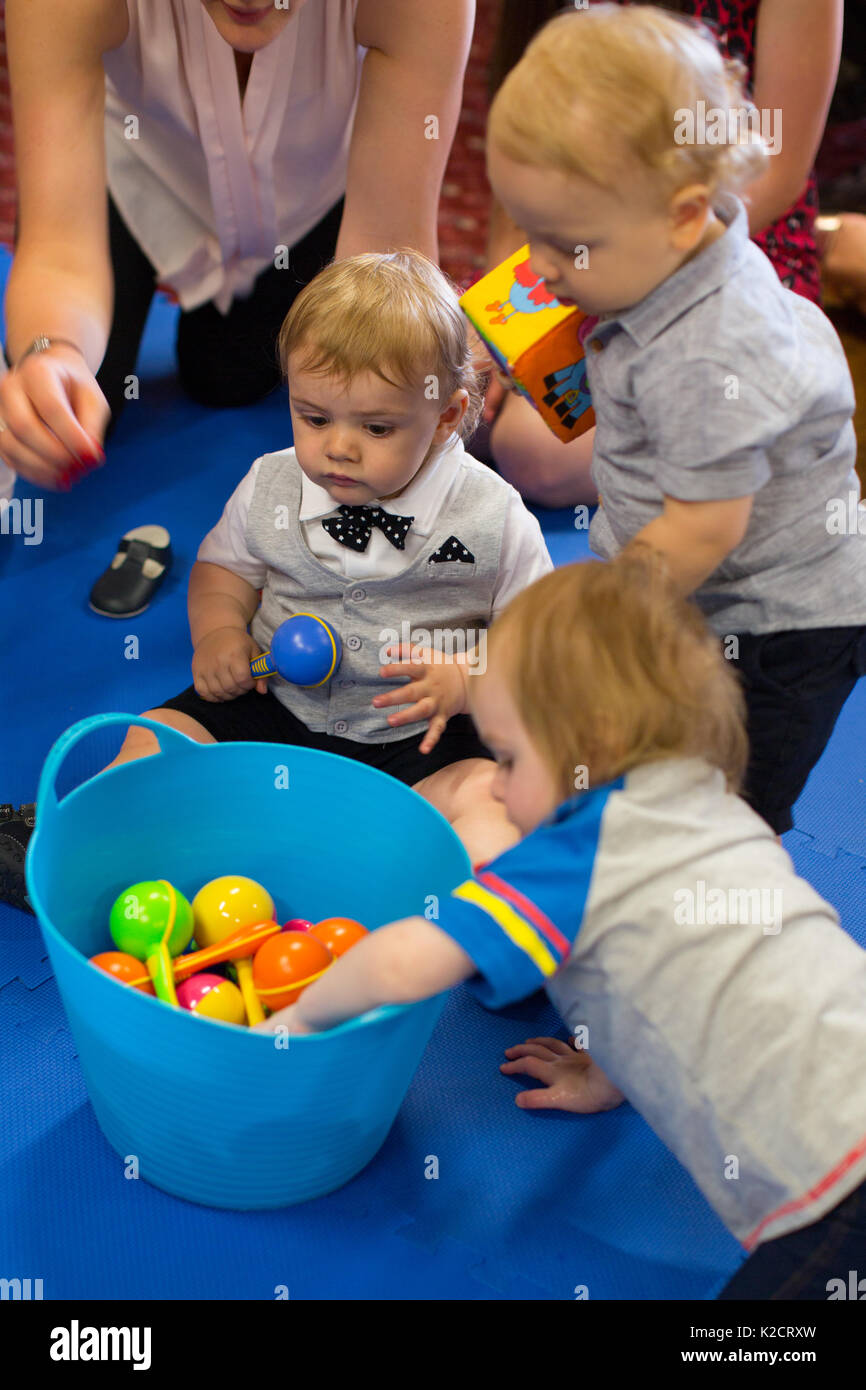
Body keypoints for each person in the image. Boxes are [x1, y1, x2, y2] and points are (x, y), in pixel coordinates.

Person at [255, 555, 866, 1301]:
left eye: (508, 758)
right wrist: (610, 1067)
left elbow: (404, 962)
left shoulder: (581, 850)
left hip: (842, 1185)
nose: (499, 786)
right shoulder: (714, 806)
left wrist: (289, 1021)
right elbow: (679, 971)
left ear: (595, 744)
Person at [0, 249, 553, 910]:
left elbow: (541, 642)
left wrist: (471, 682)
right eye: (314, 417)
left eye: (376, 427)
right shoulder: (272, 481)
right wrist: (219, 636)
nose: (338, 447)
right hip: (274, 703)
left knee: (493, 800)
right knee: (155, 734)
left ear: (442, 415)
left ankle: (456, 908)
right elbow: (222, 570)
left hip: (420, 736)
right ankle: (92, 846)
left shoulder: (494, 516)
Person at [483, 2, 866, 837]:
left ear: (683, 214)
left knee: (728, 813)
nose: (540, 269)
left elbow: (702, 529)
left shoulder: (708, 353)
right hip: (696, 589)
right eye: (533, 234)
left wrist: (588, 615)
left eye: (566, 245)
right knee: (655, 757)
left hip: (776, 628)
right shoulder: (662, 253)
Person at [0, 0, 475, 500]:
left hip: (309, 192)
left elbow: (386, 254)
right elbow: (58, 251)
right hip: (137, 168)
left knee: (229, 375)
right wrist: (51, 351)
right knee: (73, 409)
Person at [480, 0, 844, 508]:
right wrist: (505, 325)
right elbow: (532, 172)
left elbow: (775, 169)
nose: (534, 268)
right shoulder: (573, 237)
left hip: (715, 238)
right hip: (607, 242)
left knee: (537, 449)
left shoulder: (712, 343)